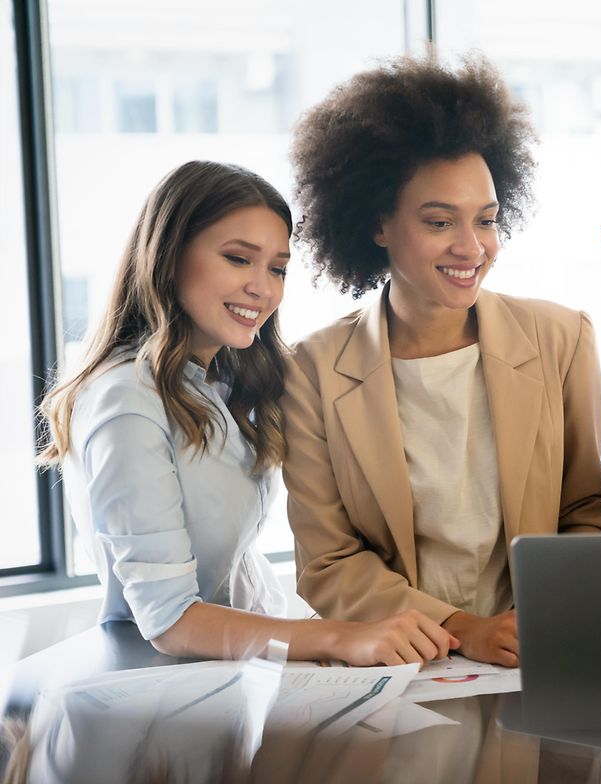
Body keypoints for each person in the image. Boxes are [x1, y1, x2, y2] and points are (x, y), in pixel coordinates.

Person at [37, 160, 458, 666]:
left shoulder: (223, 385)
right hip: (157, 685)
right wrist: (339, 638)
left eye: (277, 268)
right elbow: (170, 619)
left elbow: (230, 569)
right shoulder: (125, 399)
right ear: (168, 258)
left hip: (226, 674)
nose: (264, 288)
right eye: (239, 259)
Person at [283, 55, 601, 668]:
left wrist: (543, 610)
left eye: (486, 220)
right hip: (398, 668)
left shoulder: (561, 337)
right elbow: (327, 563)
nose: (471, 248)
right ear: (378, 222)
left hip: (535, 656)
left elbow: (586, 510)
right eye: (439, 222)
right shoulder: (313, 369)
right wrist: (464, 629)